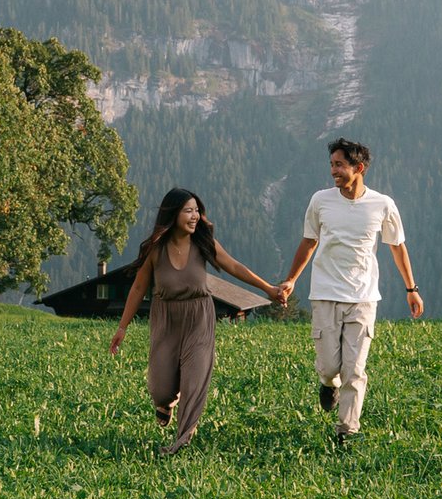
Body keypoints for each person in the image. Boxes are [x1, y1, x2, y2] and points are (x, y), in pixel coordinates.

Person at [107, 187, 289, 453]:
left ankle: (182, 440)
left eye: (196, 211)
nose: (195, 217)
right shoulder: (156, 249)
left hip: (199, 318)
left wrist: (268, 289)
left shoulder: (203, 245)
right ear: (173, 214)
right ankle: (166, 403)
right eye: (188, 211)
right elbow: (137, 288)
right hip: (166, 319)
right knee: (160, 387)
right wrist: (122, 327)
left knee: (194, 380)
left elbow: (234, 266)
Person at [278, 137, 418, 444]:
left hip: (364, 298)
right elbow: (309, 241)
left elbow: (397, 246)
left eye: (339, 165)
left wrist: (411, 288)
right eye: (332, 165)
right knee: (330, 367)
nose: (333, 171)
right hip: (325, 293)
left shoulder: (382, 205)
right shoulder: (320, 201)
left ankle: (346, 432)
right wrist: (291, 279)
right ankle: (328, 384)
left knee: (355, 370)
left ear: (359, 168)